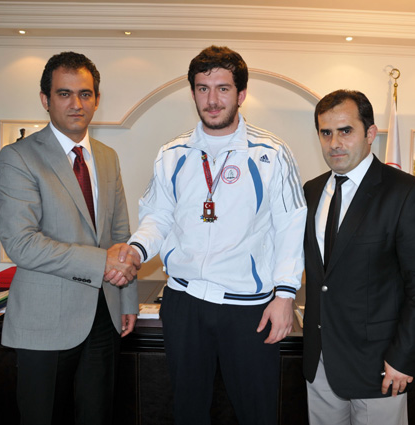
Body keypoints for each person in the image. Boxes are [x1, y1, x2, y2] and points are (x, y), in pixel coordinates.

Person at [124, 45, 306, 425]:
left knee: (256, 412)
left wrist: (285, 294)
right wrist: (137, 250)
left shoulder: (272, 153)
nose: (212, 100)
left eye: (223, 89)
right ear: (192, 92)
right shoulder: (172, 153)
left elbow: (291, 225)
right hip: (184, 301)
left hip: (249, 307)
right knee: (188, 411)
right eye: (203, 88)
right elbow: (157, 215)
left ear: (241, 94)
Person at [0, 51, 141, 425]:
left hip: (105, 317)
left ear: (97, 99)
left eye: (85, 94)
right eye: (64, 94)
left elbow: (120, 234)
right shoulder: (18, 157)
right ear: (45, 99)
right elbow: (21, 243)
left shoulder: (107, 157)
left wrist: (127, 298)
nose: (77, 104)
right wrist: (101, 262)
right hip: (43, 321)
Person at [302, 89, 415, 424]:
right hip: (319, 363)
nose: (334, 143)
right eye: (326, 133)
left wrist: (404, 358)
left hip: (380, 366)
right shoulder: (311, 190)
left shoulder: (408, 193)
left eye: (345, 131)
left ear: (370, 133)